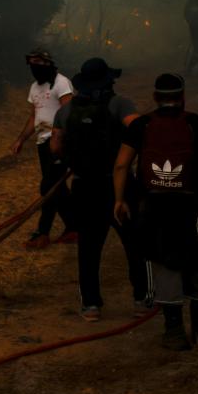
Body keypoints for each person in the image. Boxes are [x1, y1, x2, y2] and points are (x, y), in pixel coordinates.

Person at [113, 73, 198, 350]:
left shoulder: (141, 126)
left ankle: (173, 330)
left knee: (164, 260)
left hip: (155, 207)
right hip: (195, 206)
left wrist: (119, 199)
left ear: (155, 97)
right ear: (182, 97)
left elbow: (121, 165)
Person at [49, 58, 151, 322]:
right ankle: (142, 299)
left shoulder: (66, 111)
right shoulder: (119, 104)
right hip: (117, 183)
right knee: (135, 243)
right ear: (109, 80)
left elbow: (55, 148)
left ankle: (91, 306)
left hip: (83, 185)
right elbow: (138, 128)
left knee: (89, 248)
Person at [11, 48, 77, 248]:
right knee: (58, 188)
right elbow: (35, 117)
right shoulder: (34, 87)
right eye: (31, 63)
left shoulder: (62, 83)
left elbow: (69, 113)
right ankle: (74, 228)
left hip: (58, 141)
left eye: (38, 62)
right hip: (42, 142)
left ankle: (42, 233)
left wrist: (62, 140)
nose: (35, 67)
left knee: (48, 187)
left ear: (48, 63)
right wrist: (21, 139)